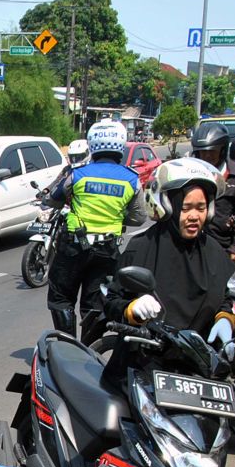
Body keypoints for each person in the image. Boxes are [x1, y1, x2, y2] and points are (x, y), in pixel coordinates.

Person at [102, 158, 235, 356]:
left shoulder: (214, 252)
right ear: (167, 206)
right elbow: (113, 301)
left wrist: (224, 319)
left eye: (201, 208)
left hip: (198, 364)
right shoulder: (141, 247)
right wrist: (133, 309)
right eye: (185, 207)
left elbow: (224, 298)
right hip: (145, 358)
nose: (194, 216)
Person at [45, 119, 146, 336]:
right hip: (107, 250)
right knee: (94, 304)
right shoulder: (132, 180)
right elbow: (139, 217)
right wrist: (117, 216)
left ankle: (66, 345)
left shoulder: (78, 174)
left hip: (73, 248)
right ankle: (88, 351)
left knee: (60, 298)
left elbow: (54, 199)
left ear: (92, 144)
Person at [190, 122, 235, 262]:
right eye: (203, 152)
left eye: (212, 151)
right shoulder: (189, 174)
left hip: (223, 248)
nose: (206, 156)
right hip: (192, 247)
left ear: (223, 150)